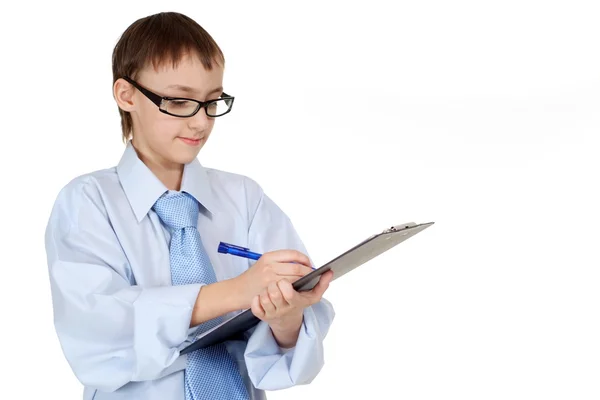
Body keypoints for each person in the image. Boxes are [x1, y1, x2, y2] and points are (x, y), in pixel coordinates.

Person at [44, 11, 335, 400]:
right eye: (180, 101)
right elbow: (99, 330)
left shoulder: (244, 199)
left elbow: (286, 353)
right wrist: (238, 290)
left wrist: (285, 317)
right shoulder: (88, 202)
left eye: (212, 102)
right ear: (126, 95)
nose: (200, 123)